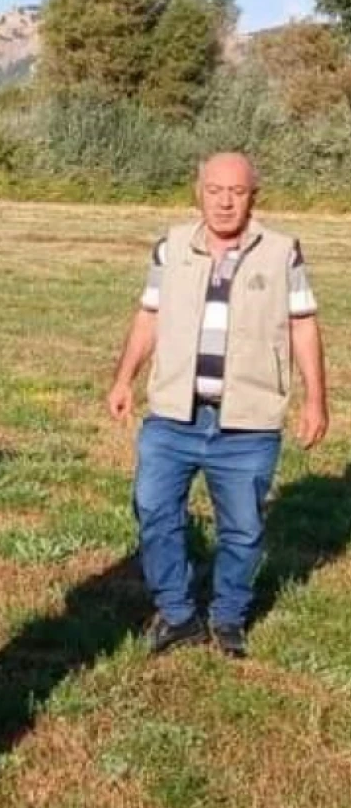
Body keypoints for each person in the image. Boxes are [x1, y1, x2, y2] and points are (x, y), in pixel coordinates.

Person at [107, 152, 328, 659]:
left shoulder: (282, 252)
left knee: (243, 528)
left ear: (254, 196)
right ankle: (178, 613)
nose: (225, 202)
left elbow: (303, 325)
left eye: (237, 192)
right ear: (198, 192)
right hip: (172, 416)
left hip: (248, 423)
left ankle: (228, 616)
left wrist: (316, 399)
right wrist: (124, 378)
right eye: (215, 190)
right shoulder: (171, 247)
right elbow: (149, 315)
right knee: (153, 511)